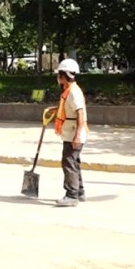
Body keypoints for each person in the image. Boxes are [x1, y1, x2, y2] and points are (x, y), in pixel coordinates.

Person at [48, 58, 89, 207]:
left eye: (59, 75)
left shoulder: (73, 92)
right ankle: (80, 191)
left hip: (74, 132)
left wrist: (78, 134)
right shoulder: (69, 91)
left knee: (68, 162)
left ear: (64, 76)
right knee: (74, 162)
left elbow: (80, 113)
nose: (57, 78)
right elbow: (67, 108)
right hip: (70, 131)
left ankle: (72, 194)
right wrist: (54, 110)